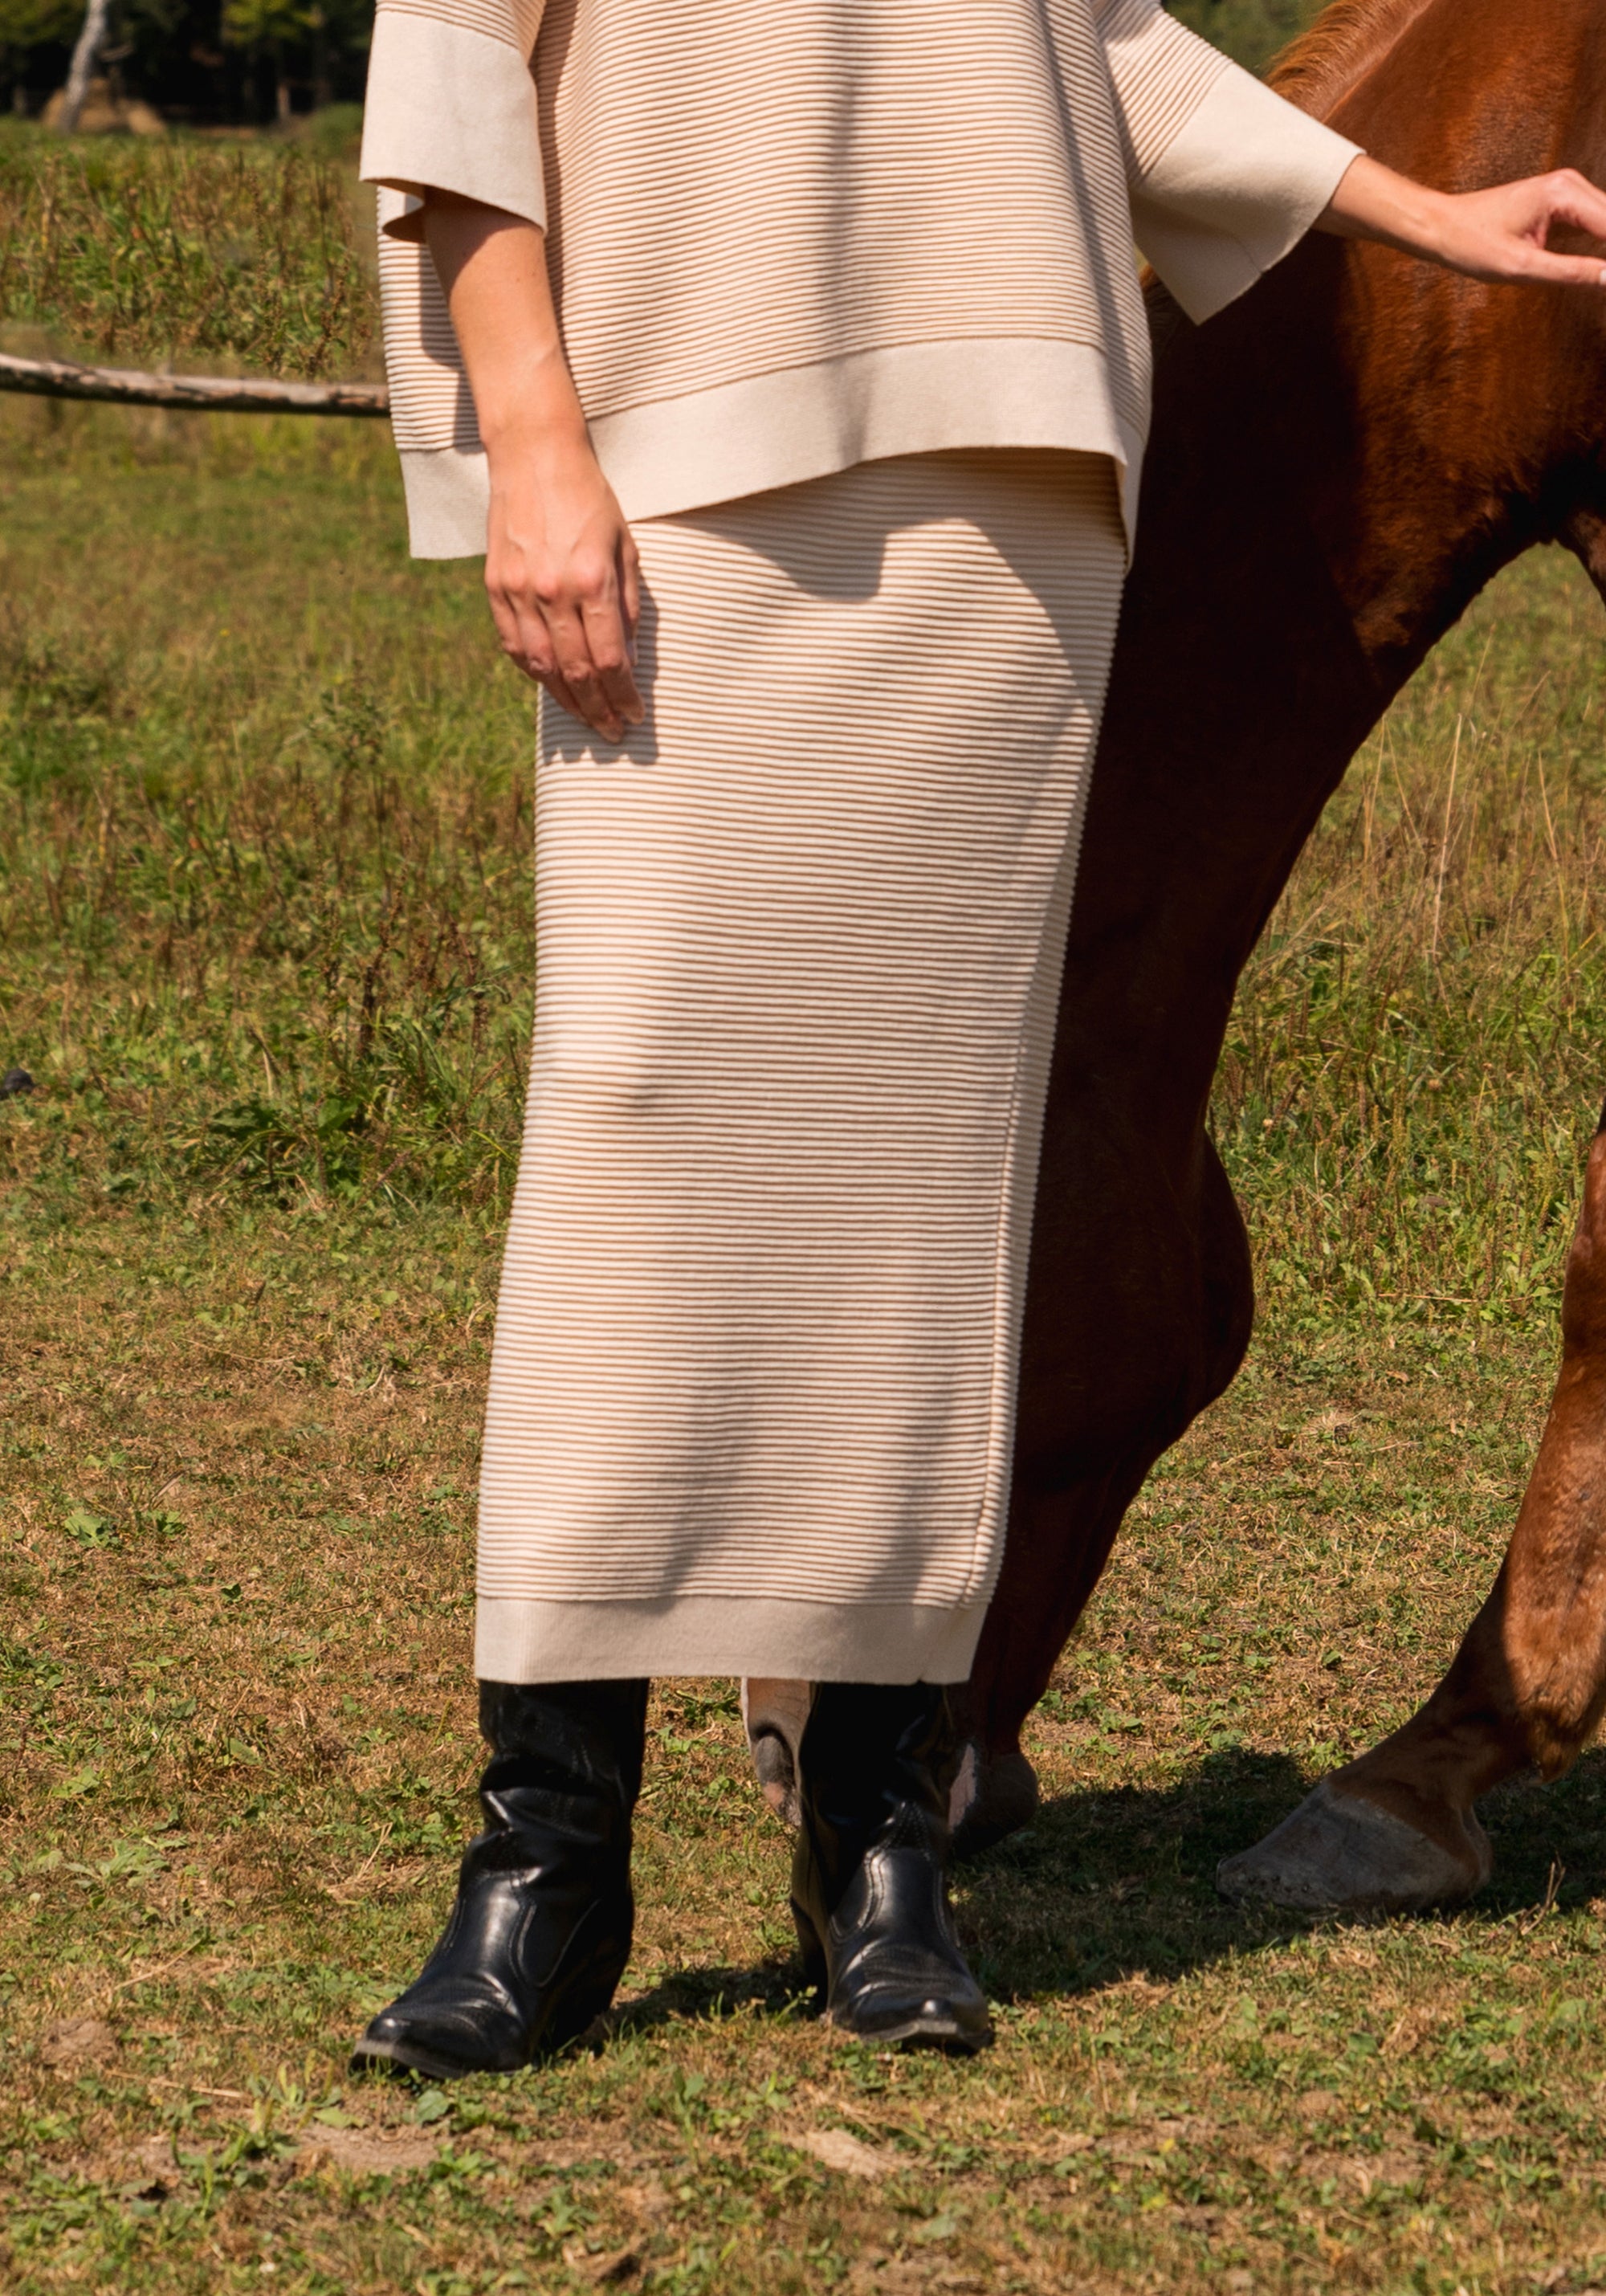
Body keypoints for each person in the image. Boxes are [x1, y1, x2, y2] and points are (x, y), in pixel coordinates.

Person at [350, 0, 1606, 2076]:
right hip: (675, 460)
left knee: (925, 1180)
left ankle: (876, 1840)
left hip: (1017, 491)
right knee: (633, 1125)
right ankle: (547, 1850)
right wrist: (535, 437)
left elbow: (1096, 50)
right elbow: (454, 73)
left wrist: (1427, 212)